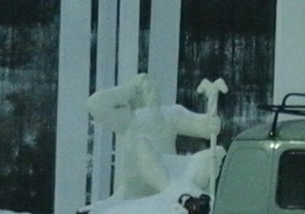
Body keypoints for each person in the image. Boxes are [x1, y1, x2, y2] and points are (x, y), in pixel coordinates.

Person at [85, 72, 222, 200]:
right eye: (147, 89)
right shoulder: (129, 119)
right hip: (140, 182)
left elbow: (203, 128)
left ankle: (182, 193)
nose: (153, 92)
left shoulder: (171, 114)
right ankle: (171, 191)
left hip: (172, 169)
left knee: (215, 155)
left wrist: (212, 120)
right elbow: (94, 104)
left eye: (154, 88)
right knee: (142, 145)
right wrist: (129, 89)